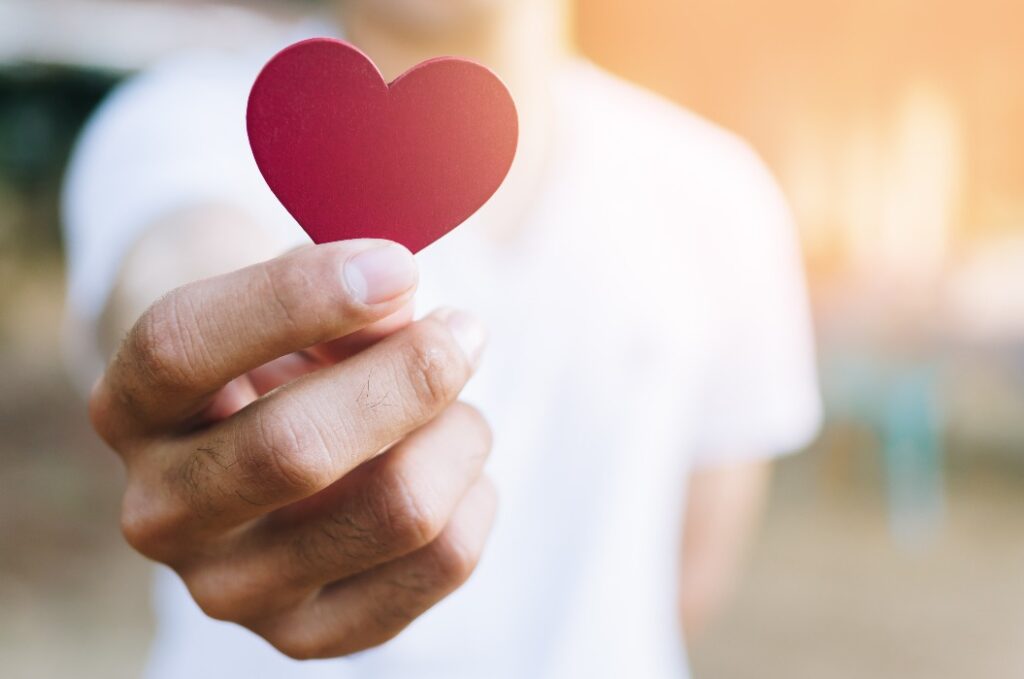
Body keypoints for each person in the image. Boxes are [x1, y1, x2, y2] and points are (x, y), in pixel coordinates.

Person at [62, 0, 821, 676]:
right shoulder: (180, 118)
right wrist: (207, 355)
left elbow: (686, 579)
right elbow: (180, 254)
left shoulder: (720, 195)